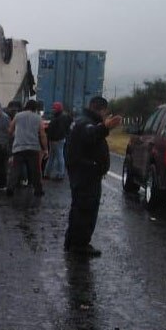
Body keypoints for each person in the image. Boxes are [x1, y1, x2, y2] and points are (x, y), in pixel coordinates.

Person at [64, 96, 122, 257]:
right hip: (86, 174)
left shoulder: (80, 120)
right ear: (101, 110)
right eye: (105, 113)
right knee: (86, 209)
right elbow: (90, 135)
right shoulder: (86, 123)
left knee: (79, 208)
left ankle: (72, 241)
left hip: (82, 172)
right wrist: (105, 127)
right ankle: (79, 244)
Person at [7, 100, 47, 197]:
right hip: (33, 148)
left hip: (19, 148)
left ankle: (10, 189)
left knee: (15, 170)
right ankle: (38, 190)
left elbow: (10, 130)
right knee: (35, 171)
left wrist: (15, 137)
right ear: (35, 108)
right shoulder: (38, 118)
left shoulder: (18, 116)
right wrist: (45, 148)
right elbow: (42, 135)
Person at [45, 102, 73, 181]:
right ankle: (55, 173)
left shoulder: (56, 118)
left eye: (54, 108)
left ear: (57, 109)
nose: (53, 110)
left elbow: (53, 129)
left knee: (56, 157)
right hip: (60, 139)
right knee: (57, 156)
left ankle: (56, 174)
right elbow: (69, 126)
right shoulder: (66, 117)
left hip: (55, 139)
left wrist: (49, 136)